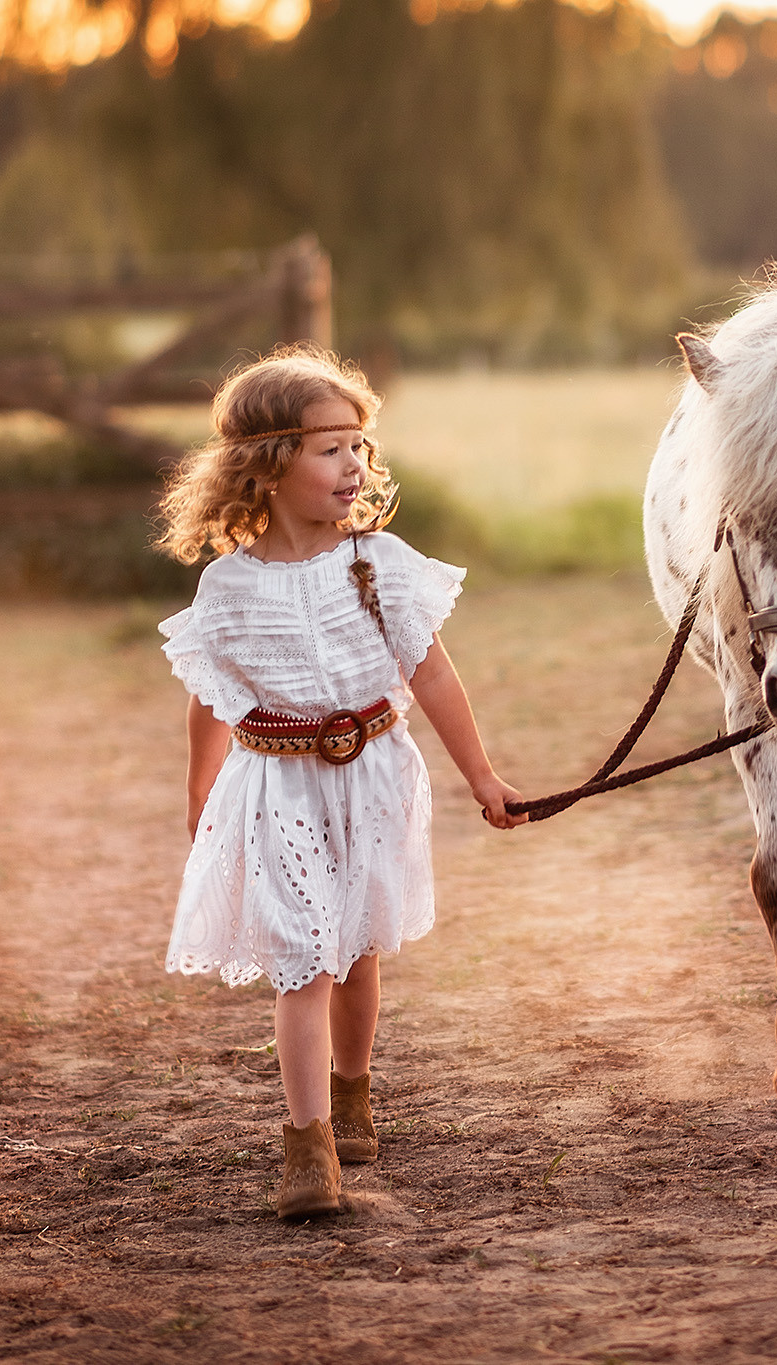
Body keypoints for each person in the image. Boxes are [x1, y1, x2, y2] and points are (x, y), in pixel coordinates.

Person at [153, 343, 526, 1220]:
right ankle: (308, 1147)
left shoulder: (382, 564)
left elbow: (430, 673)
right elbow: (211, 698)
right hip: (275, 786)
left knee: (356, 948)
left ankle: (352, 1089)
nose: (355, 464)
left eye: (360, 445)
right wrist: (199, 793)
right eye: (331, 448)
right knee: (302, 958)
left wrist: (483, 776)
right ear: (269, 462)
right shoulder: (227, 587)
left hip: (373, 778)